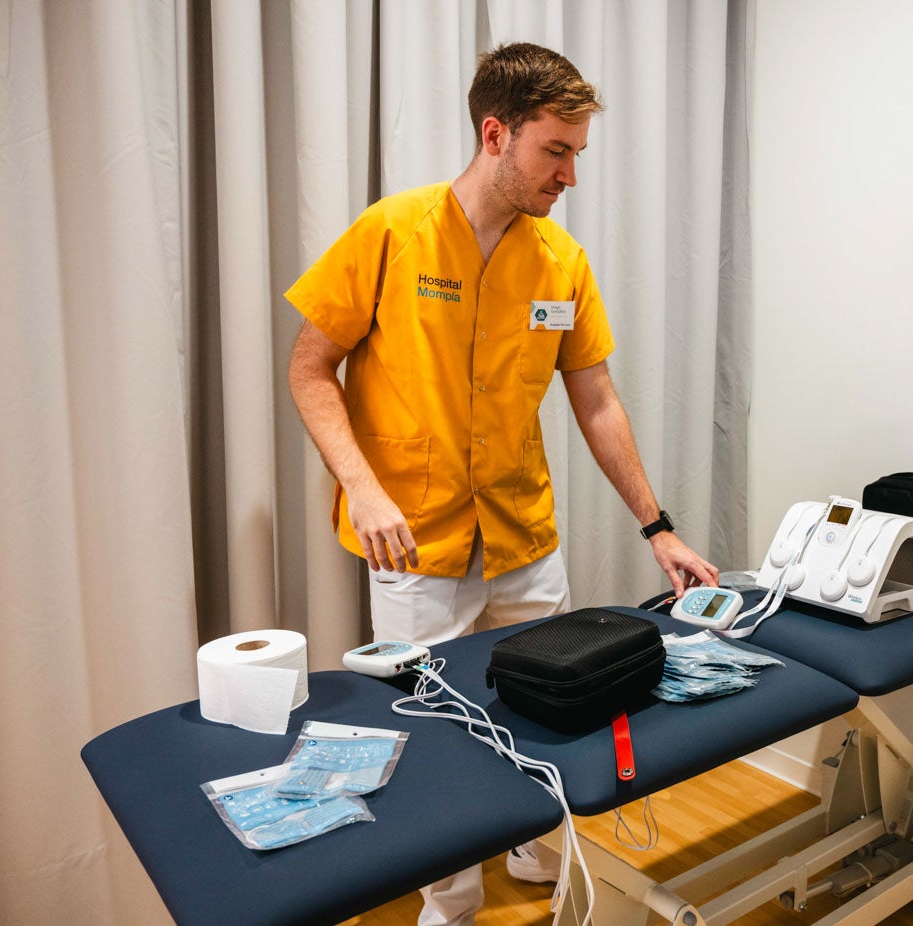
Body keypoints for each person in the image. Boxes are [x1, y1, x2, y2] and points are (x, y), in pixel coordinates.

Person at [285, 42, 718, 926]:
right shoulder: (392, 232)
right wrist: (362, 488)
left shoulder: (559, 260)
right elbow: (309, 369)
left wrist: (657, 526)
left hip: (522, 537)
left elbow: (595, 402)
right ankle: (449, 904)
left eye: (575, 154)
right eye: (555, 151)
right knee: (436, 732)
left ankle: (531, 850)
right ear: (497, 134)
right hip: (415, 539)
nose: (569, 174)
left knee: (544, 706)